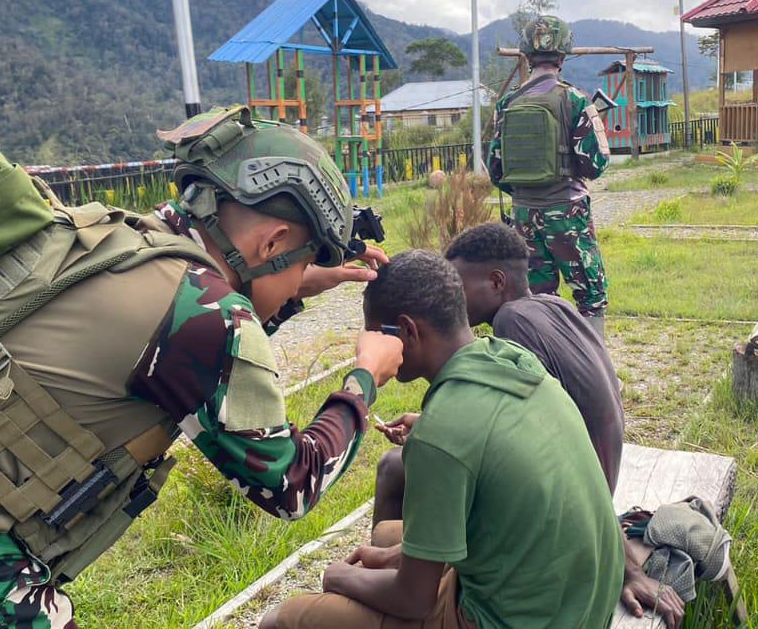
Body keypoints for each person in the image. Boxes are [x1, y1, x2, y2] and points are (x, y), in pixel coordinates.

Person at [0, 109, 404, 628]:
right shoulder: (210, 314)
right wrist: (363, 379)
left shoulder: (122, 236)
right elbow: (289, 485)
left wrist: (296, 288)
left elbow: (182, 359)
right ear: (270, 245)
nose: (298, 278)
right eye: (298, 264)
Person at [262, 250, 623, 629]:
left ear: (406, 331)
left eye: (375, 333)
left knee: (283, 619)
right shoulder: (512, 360)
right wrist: (393, 560)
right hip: (579, 602)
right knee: (386, 539)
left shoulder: (441, 433)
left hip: (514, 621)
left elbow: (414, 599)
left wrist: (339, 578)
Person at [374, 222, 684, 627]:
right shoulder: (552, 305)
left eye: (460, 286)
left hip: (567, 501)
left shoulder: (511, 324)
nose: (454, 300)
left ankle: (396, 598)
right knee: (405, 488)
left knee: (396, 467)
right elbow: (523, 414)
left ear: (497, 282)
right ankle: (407, 574)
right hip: (579, 479)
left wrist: (627, 568)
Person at [487, 14, 611, 337]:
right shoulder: (574, 100)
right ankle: (593, 372)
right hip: (567, 214)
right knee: (591, 296)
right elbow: (596, 163)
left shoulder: (506, 104)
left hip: (524, 217)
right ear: (563, 55)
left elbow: (495, 168)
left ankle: (544, 370)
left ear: (527, 55)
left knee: (537, 300)